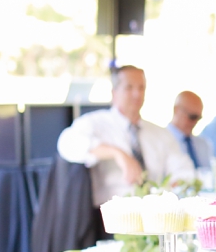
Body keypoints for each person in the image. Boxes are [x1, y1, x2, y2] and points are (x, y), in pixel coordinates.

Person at [56, 65, 195, 208]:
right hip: (110, 217)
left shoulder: (160, 134)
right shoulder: (95, 123)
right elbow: (67, 144)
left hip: (155, 214)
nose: (137, 94)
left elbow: (183, 170)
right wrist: (118, 154)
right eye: (129, 88)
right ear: (114, 93)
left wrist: (173, 188)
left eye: (141, 88)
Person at [166, 91, 213, 172]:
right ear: (176, 110)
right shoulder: (160, 141)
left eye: (199, 118)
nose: (195, 122)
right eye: (192, 117)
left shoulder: (203, 144)